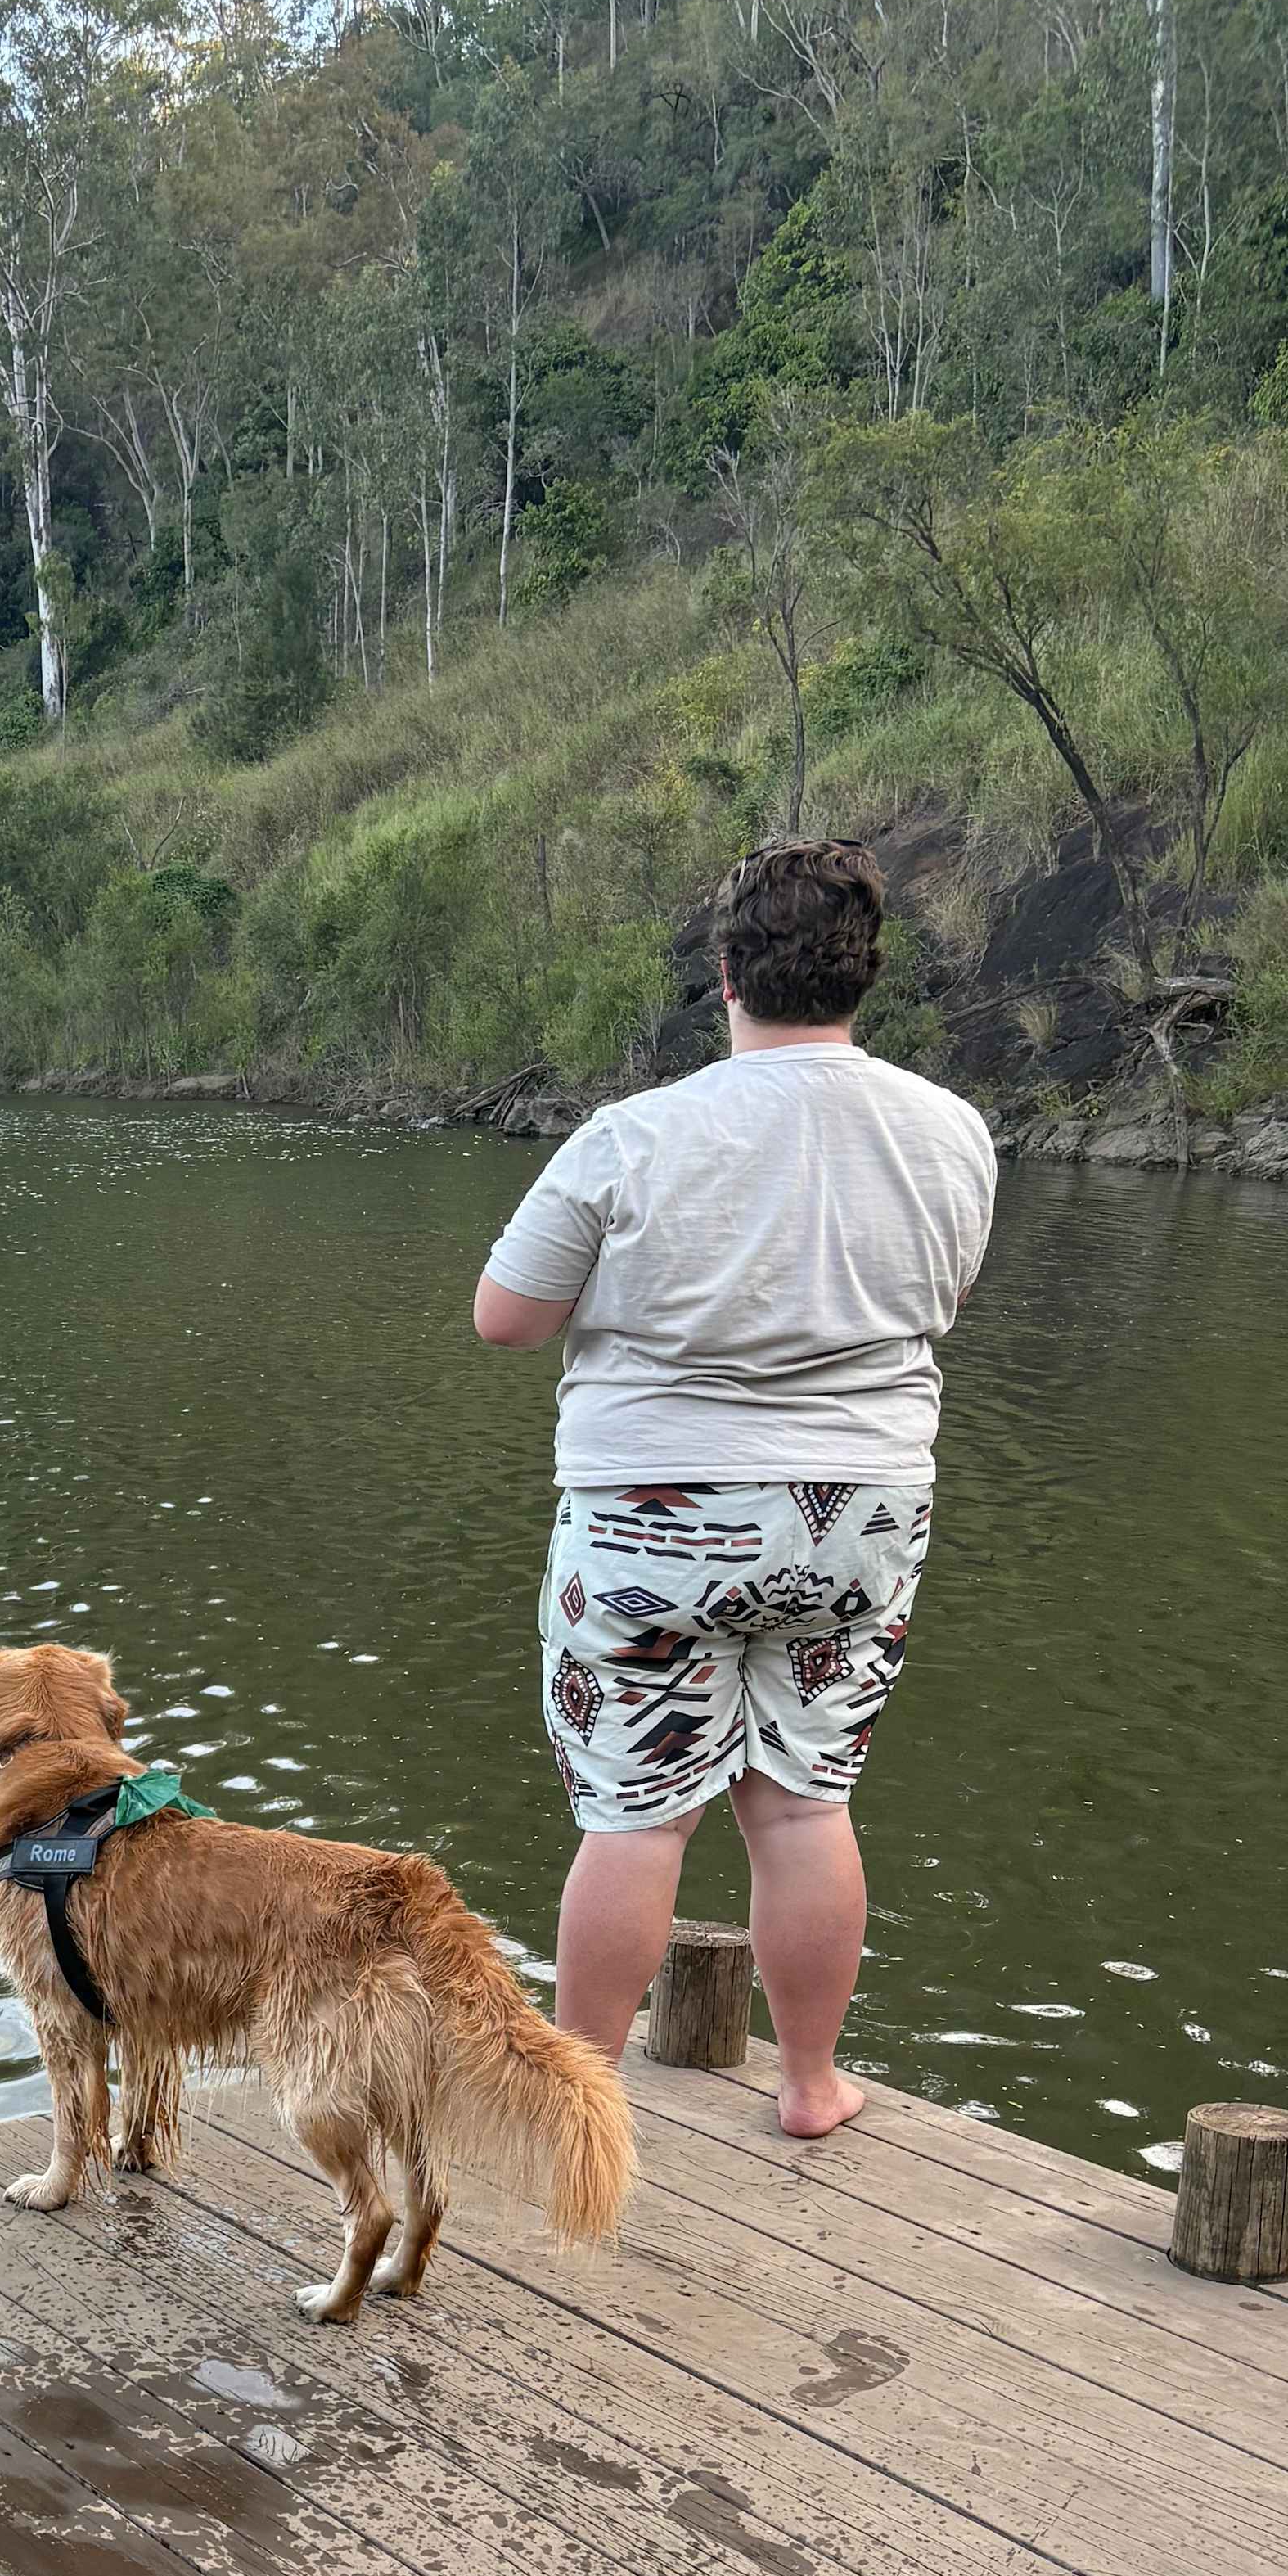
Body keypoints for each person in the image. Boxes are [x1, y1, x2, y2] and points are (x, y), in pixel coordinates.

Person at [471, 835, 997, 2138]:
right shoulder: (952, 1132)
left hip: (659, 1517)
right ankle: (811, 2085)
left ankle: (574, 2109)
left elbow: (506, 1320)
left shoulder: (632, 1137)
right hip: (862, 1515)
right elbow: (944, 1301)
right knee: (805, 1803)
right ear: (863, 976)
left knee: (639, 1819)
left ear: (724, 975)